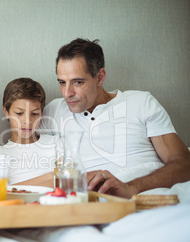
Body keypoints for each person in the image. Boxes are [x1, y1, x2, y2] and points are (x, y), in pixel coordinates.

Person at [38, 38, 190, 199]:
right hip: (89, 206)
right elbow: (19, 147)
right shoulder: (54, 111)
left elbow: (184, 164)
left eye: (77, 82)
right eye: (62, 82)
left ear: (100, 77)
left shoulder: (141, 102)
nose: (67, 93)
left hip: (148, 199)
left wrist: (131, 188)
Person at [0, 78, 57, 186]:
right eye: (19, 113)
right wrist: (51, 177)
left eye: (35, 114)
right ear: (6, 111)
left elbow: (68, 180)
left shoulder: (55, 143)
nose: (28, 121)